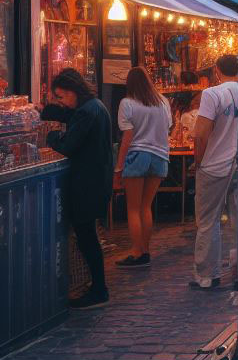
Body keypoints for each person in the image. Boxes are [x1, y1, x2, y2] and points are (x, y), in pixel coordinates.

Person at [42, 69, 114, 309]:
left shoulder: (86, 111)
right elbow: (70, 119)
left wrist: (51, 137)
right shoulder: (94, 106)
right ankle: (98, 287)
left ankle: (99, 289)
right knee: (87, 236)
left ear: (73, 92)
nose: (61, 102)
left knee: (87, 238)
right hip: (96, 180)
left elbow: (69, 145)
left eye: (61, 97)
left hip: (87, 183)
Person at [192, 54, 238, 290]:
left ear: (216, 70)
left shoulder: (212, 94)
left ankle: (207, 275)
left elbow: (201, 133)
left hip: (213, 166)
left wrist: (200, 160)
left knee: (208, 221)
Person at [114, 67, 172, 267]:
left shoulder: (127, 103)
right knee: (146, 206)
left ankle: (137, 251)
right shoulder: (163, 102)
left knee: (133, 208)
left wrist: (118, 168)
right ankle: (145, 250)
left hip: (137, 155)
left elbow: (127, 138)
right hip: (160, 156)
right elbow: (168, 128)